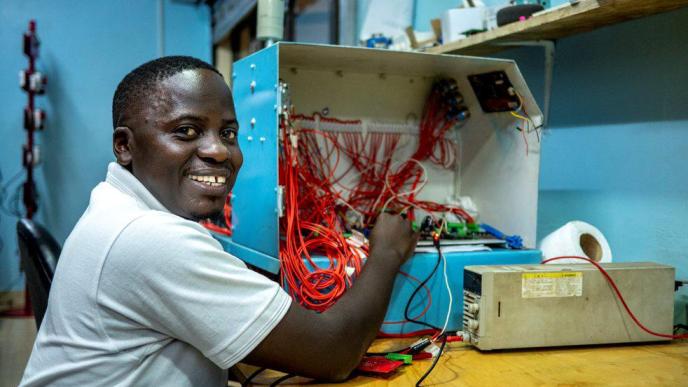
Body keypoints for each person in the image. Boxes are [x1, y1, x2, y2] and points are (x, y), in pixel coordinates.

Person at [20, 56, 418, 386]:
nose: (219, 151)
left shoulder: (112, 206)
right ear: (125, 146)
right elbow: (333, 353)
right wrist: (386, 251)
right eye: (186, 131)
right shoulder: (149, 238)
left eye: (228, 133)